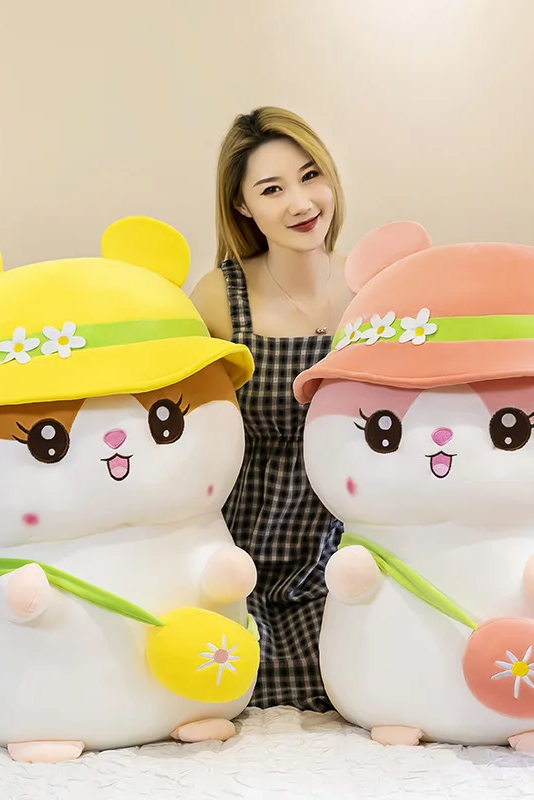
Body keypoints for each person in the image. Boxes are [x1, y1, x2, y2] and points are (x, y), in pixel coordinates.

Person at [190, 106, 353, 712]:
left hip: (349, 540)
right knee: (211, 676)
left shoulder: (374, 286)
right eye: (272, 189)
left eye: (311, 176)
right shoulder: (218, 295)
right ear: (242, 205)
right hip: (243, 541)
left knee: (372, 672)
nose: (301, 203)